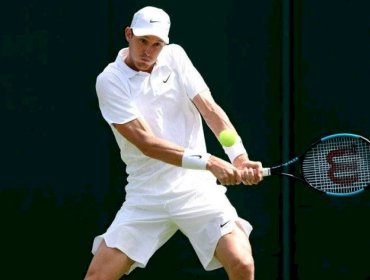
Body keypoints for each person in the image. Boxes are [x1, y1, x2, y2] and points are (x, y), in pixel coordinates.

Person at [85, 6, 263, 280]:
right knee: (97, 277)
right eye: (143, 41)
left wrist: (238, 155)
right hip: (146, 196)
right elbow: (147, 144)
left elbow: (209, 110)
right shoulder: (110, 81)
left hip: (196, 192)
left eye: (157, 44)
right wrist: (210, 162)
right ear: (128, 34)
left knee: (242, 263)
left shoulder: (176, 57)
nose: (149, 51)